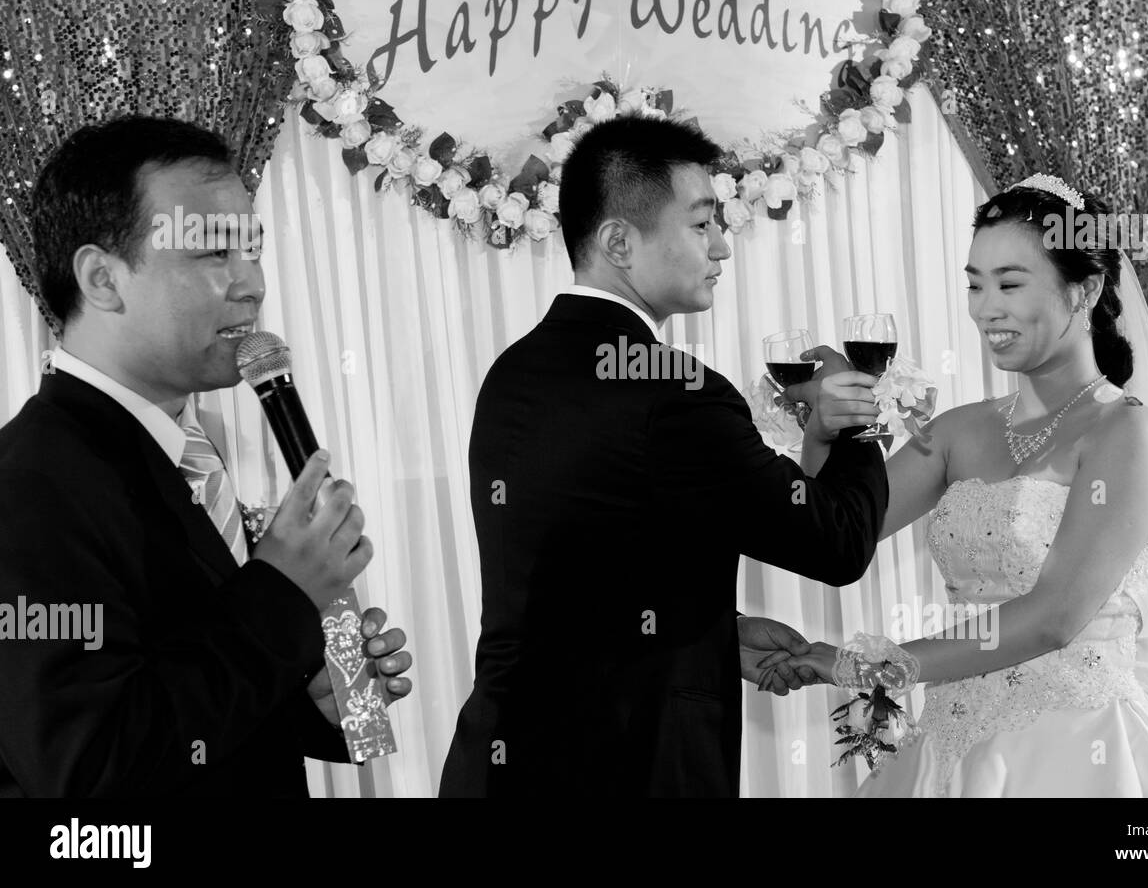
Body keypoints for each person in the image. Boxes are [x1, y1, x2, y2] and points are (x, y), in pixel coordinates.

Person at [438, 115, 891, 797]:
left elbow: (581, 567)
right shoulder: (675, 392)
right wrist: (854, 413)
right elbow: (837, 541)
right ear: (620, 240)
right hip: (631, 769)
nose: (722, 247)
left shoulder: (512, 373)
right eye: (702, 223)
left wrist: (714, 634)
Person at [770, 174, 1148, 797]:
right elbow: (830, 532)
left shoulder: (1131, 436)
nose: (984, 308)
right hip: (950, 746)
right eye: (974, 284)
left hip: (1077, 751)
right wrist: (824, 431)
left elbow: (1052, 618)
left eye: (1009, 283)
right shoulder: (959, 431)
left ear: (1084, 291)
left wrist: (867, 666)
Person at [0, 116, 413, 796]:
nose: (250, 283)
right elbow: (88, 768)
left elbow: (192, 694)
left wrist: (311, 697)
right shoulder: (28, 486)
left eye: (252, 251)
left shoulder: (186, 453)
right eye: (215, 253)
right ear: (103, 278)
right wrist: (280, 593)